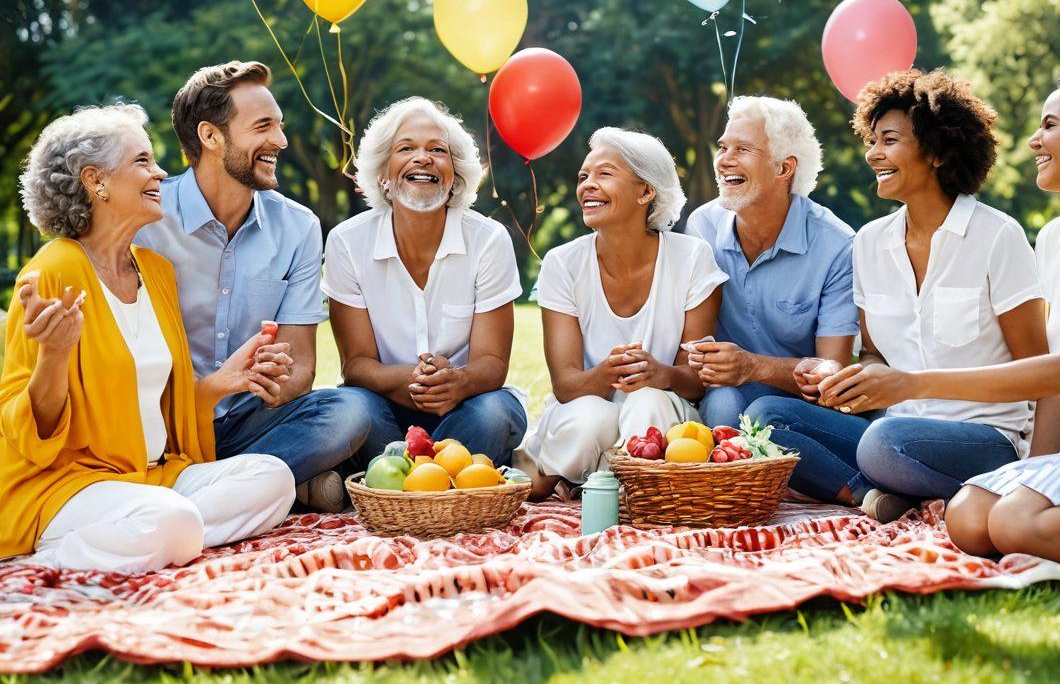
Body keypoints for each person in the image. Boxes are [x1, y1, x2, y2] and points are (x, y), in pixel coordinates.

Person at [819, 66, 1060, 563]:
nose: (1034, 141)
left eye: (1049, 125)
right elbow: (1059, 387)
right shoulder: (1058, 238)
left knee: (1013, 520)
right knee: (970, 517)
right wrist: (1041, 470)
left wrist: (912, 383)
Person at [1, 104, 295, 572]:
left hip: (153, 478)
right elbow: (25, 433)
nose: (160, 172)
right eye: (142, 161)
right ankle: (52, 557)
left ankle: (143, 538)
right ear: (96, 181)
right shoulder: (53, 271)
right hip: (68, 484)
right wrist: (53, 357)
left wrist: (220, 382)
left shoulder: (155, 271)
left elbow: (155, 406)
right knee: (174, 521)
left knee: (273, 478)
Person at [748, 69, 1049, 521]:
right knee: (765, 416)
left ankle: (884, 485)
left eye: (889, 140)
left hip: (983, 439)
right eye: (872, 140)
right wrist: (850, 380)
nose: (872, 154)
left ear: (937, 152)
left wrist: (1041, 473)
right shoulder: (869, 242)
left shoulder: (997, 236)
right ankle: (873, 496)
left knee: (882, 443)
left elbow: (1040, 372)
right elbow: (873, 355)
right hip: (892, 433)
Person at [135, 61, 380, 513]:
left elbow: (302, 367)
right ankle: (268, 485)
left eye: (280, 126)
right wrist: (209, 388)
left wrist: (269, 379)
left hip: (250, 420)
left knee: (350, 412)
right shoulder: (146, 221)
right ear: (210, 136)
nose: (281, 141)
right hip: (160, 419)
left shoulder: (299, 227)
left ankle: (202, 484)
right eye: (264, 126)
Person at [519, 128, 727, 499]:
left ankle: (595, 480)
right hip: (584, 411)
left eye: (604, 174)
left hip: (662, 411)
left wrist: (658, 373)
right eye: (584, 176)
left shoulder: (692, 257)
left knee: (646, 401)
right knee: (593, 417)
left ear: (646, 191)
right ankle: (603, 479)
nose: (588, 185)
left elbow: (696, 381)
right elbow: (566, 386)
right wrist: (606, 373)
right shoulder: (562, 263)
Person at [323, 97, 527, 466]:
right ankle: (448, 474)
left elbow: (493, 364)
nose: (423, 158)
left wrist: (458, 383)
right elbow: (356, 365)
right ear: (383, 173)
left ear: (456, 176)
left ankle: (396, 475)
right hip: (384, 409)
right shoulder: (346, 241)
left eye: (438, 150)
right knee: (349, 410)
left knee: (497, 414)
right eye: (406, 149)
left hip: (468, 405)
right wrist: (413, 379)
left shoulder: (489, 240)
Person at [686, 96, 858, 428]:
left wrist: (753, 366)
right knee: (723, 400)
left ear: (783, 168)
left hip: (800, 410)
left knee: (760, 409)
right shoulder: (701, 227)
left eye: (742, 150)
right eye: (723, 148)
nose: (724, 161)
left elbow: (829, 374)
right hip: (722, 397)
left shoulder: (837, 246)